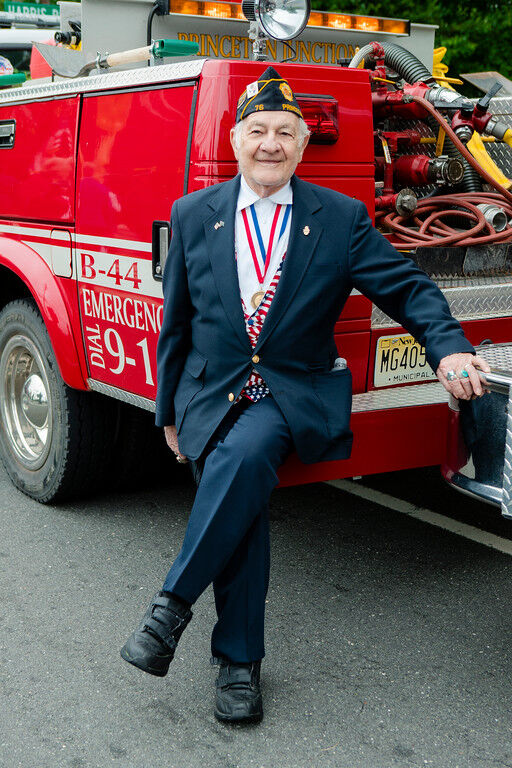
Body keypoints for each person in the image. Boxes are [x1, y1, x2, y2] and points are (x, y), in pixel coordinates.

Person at [121, 66, 490, 724]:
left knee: (245, 457)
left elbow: (408, 288)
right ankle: (236, 660)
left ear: (300, 145)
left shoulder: (340, 218)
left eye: (284, 132)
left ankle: (171, 611)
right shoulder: (193, 213)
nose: (270, 143)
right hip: (210, 397)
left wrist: (449, 344)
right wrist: (169, 411)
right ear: (235, 140)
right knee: (242, 508)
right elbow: (174, 324)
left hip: (289, 394)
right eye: (257, 130)